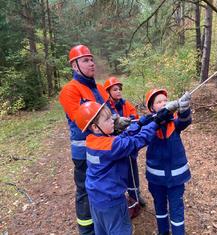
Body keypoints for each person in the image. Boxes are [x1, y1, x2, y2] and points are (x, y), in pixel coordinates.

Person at [74, 101, 172, 235]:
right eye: (107, 119)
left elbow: (120, 138)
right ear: (95, 127)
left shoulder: (92, 140)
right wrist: (155, 124)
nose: (112, 121)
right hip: (112, 201)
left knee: (102, 231)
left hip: (96, 199)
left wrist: (139, 124)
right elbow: (136, 141)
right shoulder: (111, 146)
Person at [59, 44, 109, 235]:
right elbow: (82, 121)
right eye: (85, 60)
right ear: (74, 66)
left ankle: (102, 223)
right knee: (85, 190)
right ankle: (86, 229)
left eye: (91, 59)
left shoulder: (100, 89)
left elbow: (110, 115)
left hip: (104, 148)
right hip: (83, 151)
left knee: (103, 186)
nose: (91, 63)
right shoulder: (69, 91)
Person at [144, 88, 192, 235]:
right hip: (156, 180)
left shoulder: (174, 123)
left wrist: (184, 109)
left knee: (176, 208)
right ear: (152, 108)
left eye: (165, 100)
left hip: (176, 180)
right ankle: (163, 231)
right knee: (160, 207)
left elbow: (185, 121)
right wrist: (158, 118)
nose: (164, 103)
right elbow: (143, 129)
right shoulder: (149, 124)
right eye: (159, 102)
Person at [104, 76, 146, 209]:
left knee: (132, 170)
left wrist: (129, 121)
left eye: (119, 89)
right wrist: (116, 122)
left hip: (127, 142)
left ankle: (135, 195)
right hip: (114, 144)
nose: (118, 92)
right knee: (117, 171)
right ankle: (120, 199)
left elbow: (135, 116)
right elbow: (104, 122)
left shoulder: (125, 104)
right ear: (108, 92)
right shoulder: (105, 107)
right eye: (115, 89)